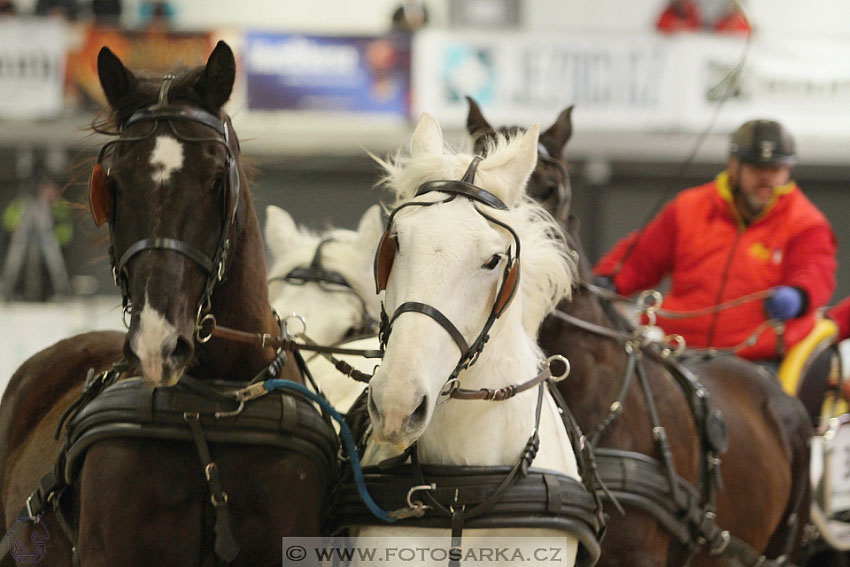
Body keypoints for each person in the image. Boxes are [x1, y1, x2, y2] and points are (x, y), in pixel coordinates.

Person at [594, 119, 837, 365]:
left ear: (788, 170)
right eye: (756, 168)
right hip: (675, 348)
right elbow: (641, 259)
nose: (766, 179)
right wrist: (607, 280)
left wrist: (799, 295)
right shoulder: (688, 207)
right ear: (734, 165)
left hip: (754, 359)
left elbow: (815, 273)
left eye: (775, 169)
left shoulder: (807, 224)